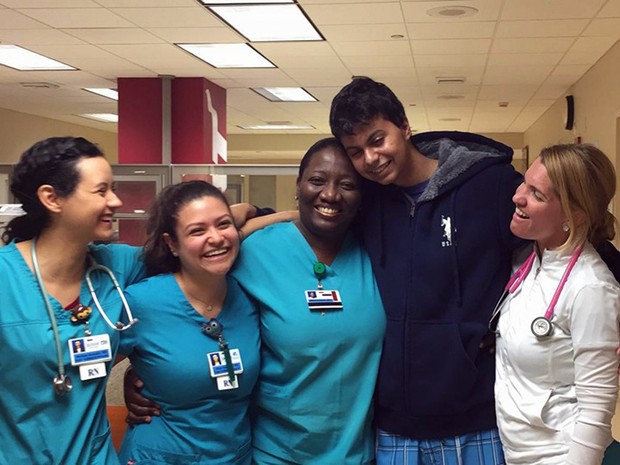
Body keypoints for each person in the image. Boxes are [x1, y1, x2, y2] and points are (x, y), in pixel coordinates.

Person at [125, 137, 386, 464]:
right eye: (317, 180)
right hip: (275, 453)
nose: (330, 194)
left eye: (347, 184)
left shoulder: (376, 252)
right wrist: (151, 376)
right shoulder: (254, 252)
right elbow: (198, 284)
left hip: (359, 452)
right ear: (299, 184)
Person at [329, 76, 525, 465]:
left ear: (404, 126)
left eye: (377, 139)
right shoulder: (366, 200)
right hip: (392, 427)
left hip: (475, 419)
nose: (370, 158)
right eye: (355, 151)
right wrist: (248, 217)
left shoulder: (491, 186)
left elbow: (562, 246)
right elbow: (316, 218)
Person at [0, 137, 145, 464]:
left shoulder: (116, 267)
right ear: (52, 198)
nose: (117, 201)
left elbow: (194, 238)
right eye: (102, 190)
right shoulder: (5, 279)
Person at [492, 144, 620, 465]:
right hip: (520, 451)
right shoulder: (531, 260)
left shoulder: (590, 287)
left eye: (537, 194)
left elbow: (595, 411)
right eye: (525, 182)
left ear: (573, 216)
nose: (517, 197)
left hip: (561, 455)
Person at [117, 180, 260, 465]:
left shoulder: (249, 296)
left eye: (223, 224)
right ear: (172, 244)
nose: (216, 238)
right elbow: (83, 378)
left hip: (235, 456)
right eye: (198, 230)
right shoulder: (142, 302)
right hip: (160, 456)